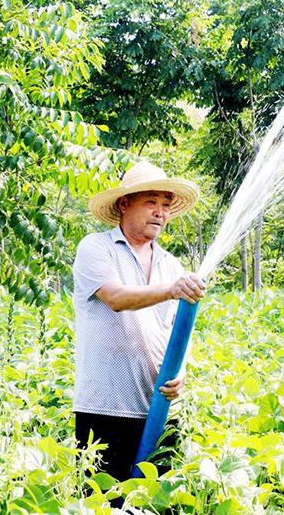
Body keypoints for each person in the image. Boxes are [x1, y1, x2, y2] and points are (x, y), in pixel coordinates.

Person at [72, 161, 206, 482]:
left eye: (165, 205)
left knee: (155, 502)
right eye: (151, 202)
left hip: (159, 410)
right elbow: (116, 298)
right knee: (105, 502)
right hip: (106, 408)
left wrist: (181, 371)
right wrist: (170, 290)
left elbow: (177, 332)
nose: (160, 212)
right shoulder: (96, 248)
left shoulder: (170, 264)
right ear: (124, 203)